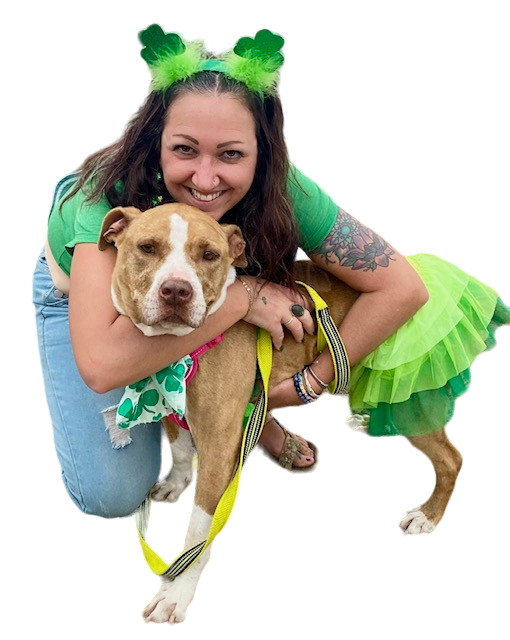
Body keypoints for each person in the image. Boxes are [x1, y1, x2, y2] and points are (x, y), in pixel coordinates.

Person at [32, 24, 508, 519]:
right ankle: (238, 419)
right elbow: (103, 365)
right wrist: (244, 296)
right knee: (111, 497)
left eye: (231, 154)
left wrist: (311, 383)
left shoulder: (283, 186)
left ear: (263, 153)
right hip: (87, 293)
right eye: (185, 149)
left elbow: (402, 287)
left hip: (204, 290)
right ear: (155, 141)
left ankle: (245, 411)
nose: (206, 178)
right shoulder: (98, 199)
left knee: (207, 363)